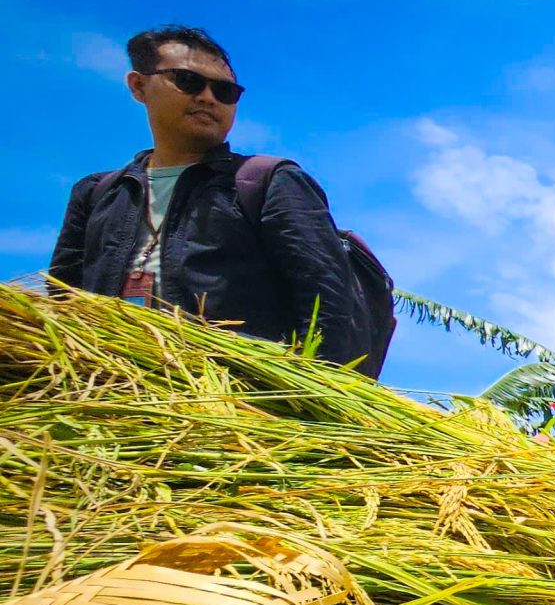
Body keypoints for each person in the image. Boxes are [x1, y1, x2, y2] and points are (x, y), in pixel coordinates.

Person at [48, 25, 370, 367]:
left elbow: (327, 301)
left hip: (229, 399)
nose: (207, 97)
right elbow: (63, 300)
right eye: (187, 81)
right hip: (114, 388)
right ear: (139, 86)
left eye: (225, 91)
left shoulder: (269, 182)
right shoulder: (96, 193)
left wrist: (305, 398)